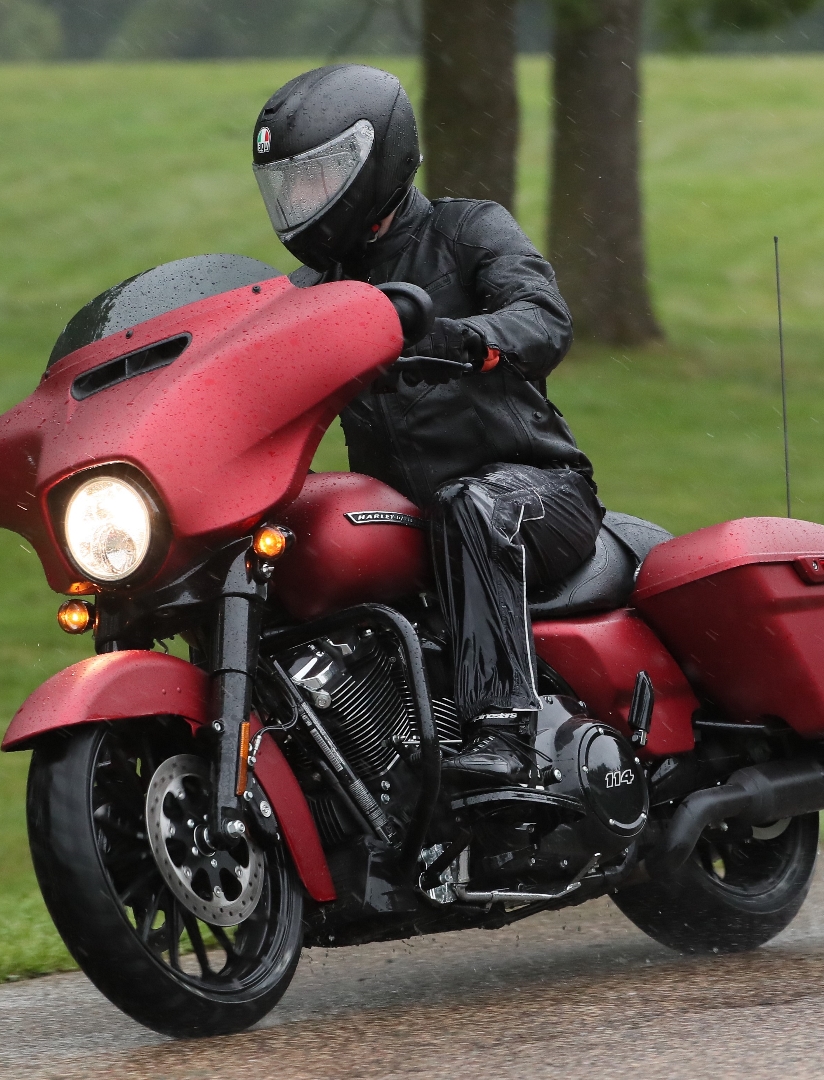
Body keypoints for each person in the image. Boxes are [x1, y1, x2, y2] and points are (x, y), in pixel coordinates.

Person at [251, 64, 603, 767]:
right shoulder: (310, 293)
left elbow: (542, 318)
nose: (303, 200)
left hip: (539, 490)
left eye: (318, 179)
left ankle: (504, 732)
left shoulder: (468, 229)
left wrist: (466, 338)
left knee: (472, 505)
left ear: (377, 159)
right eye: (291, 185)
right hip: (404, 517)